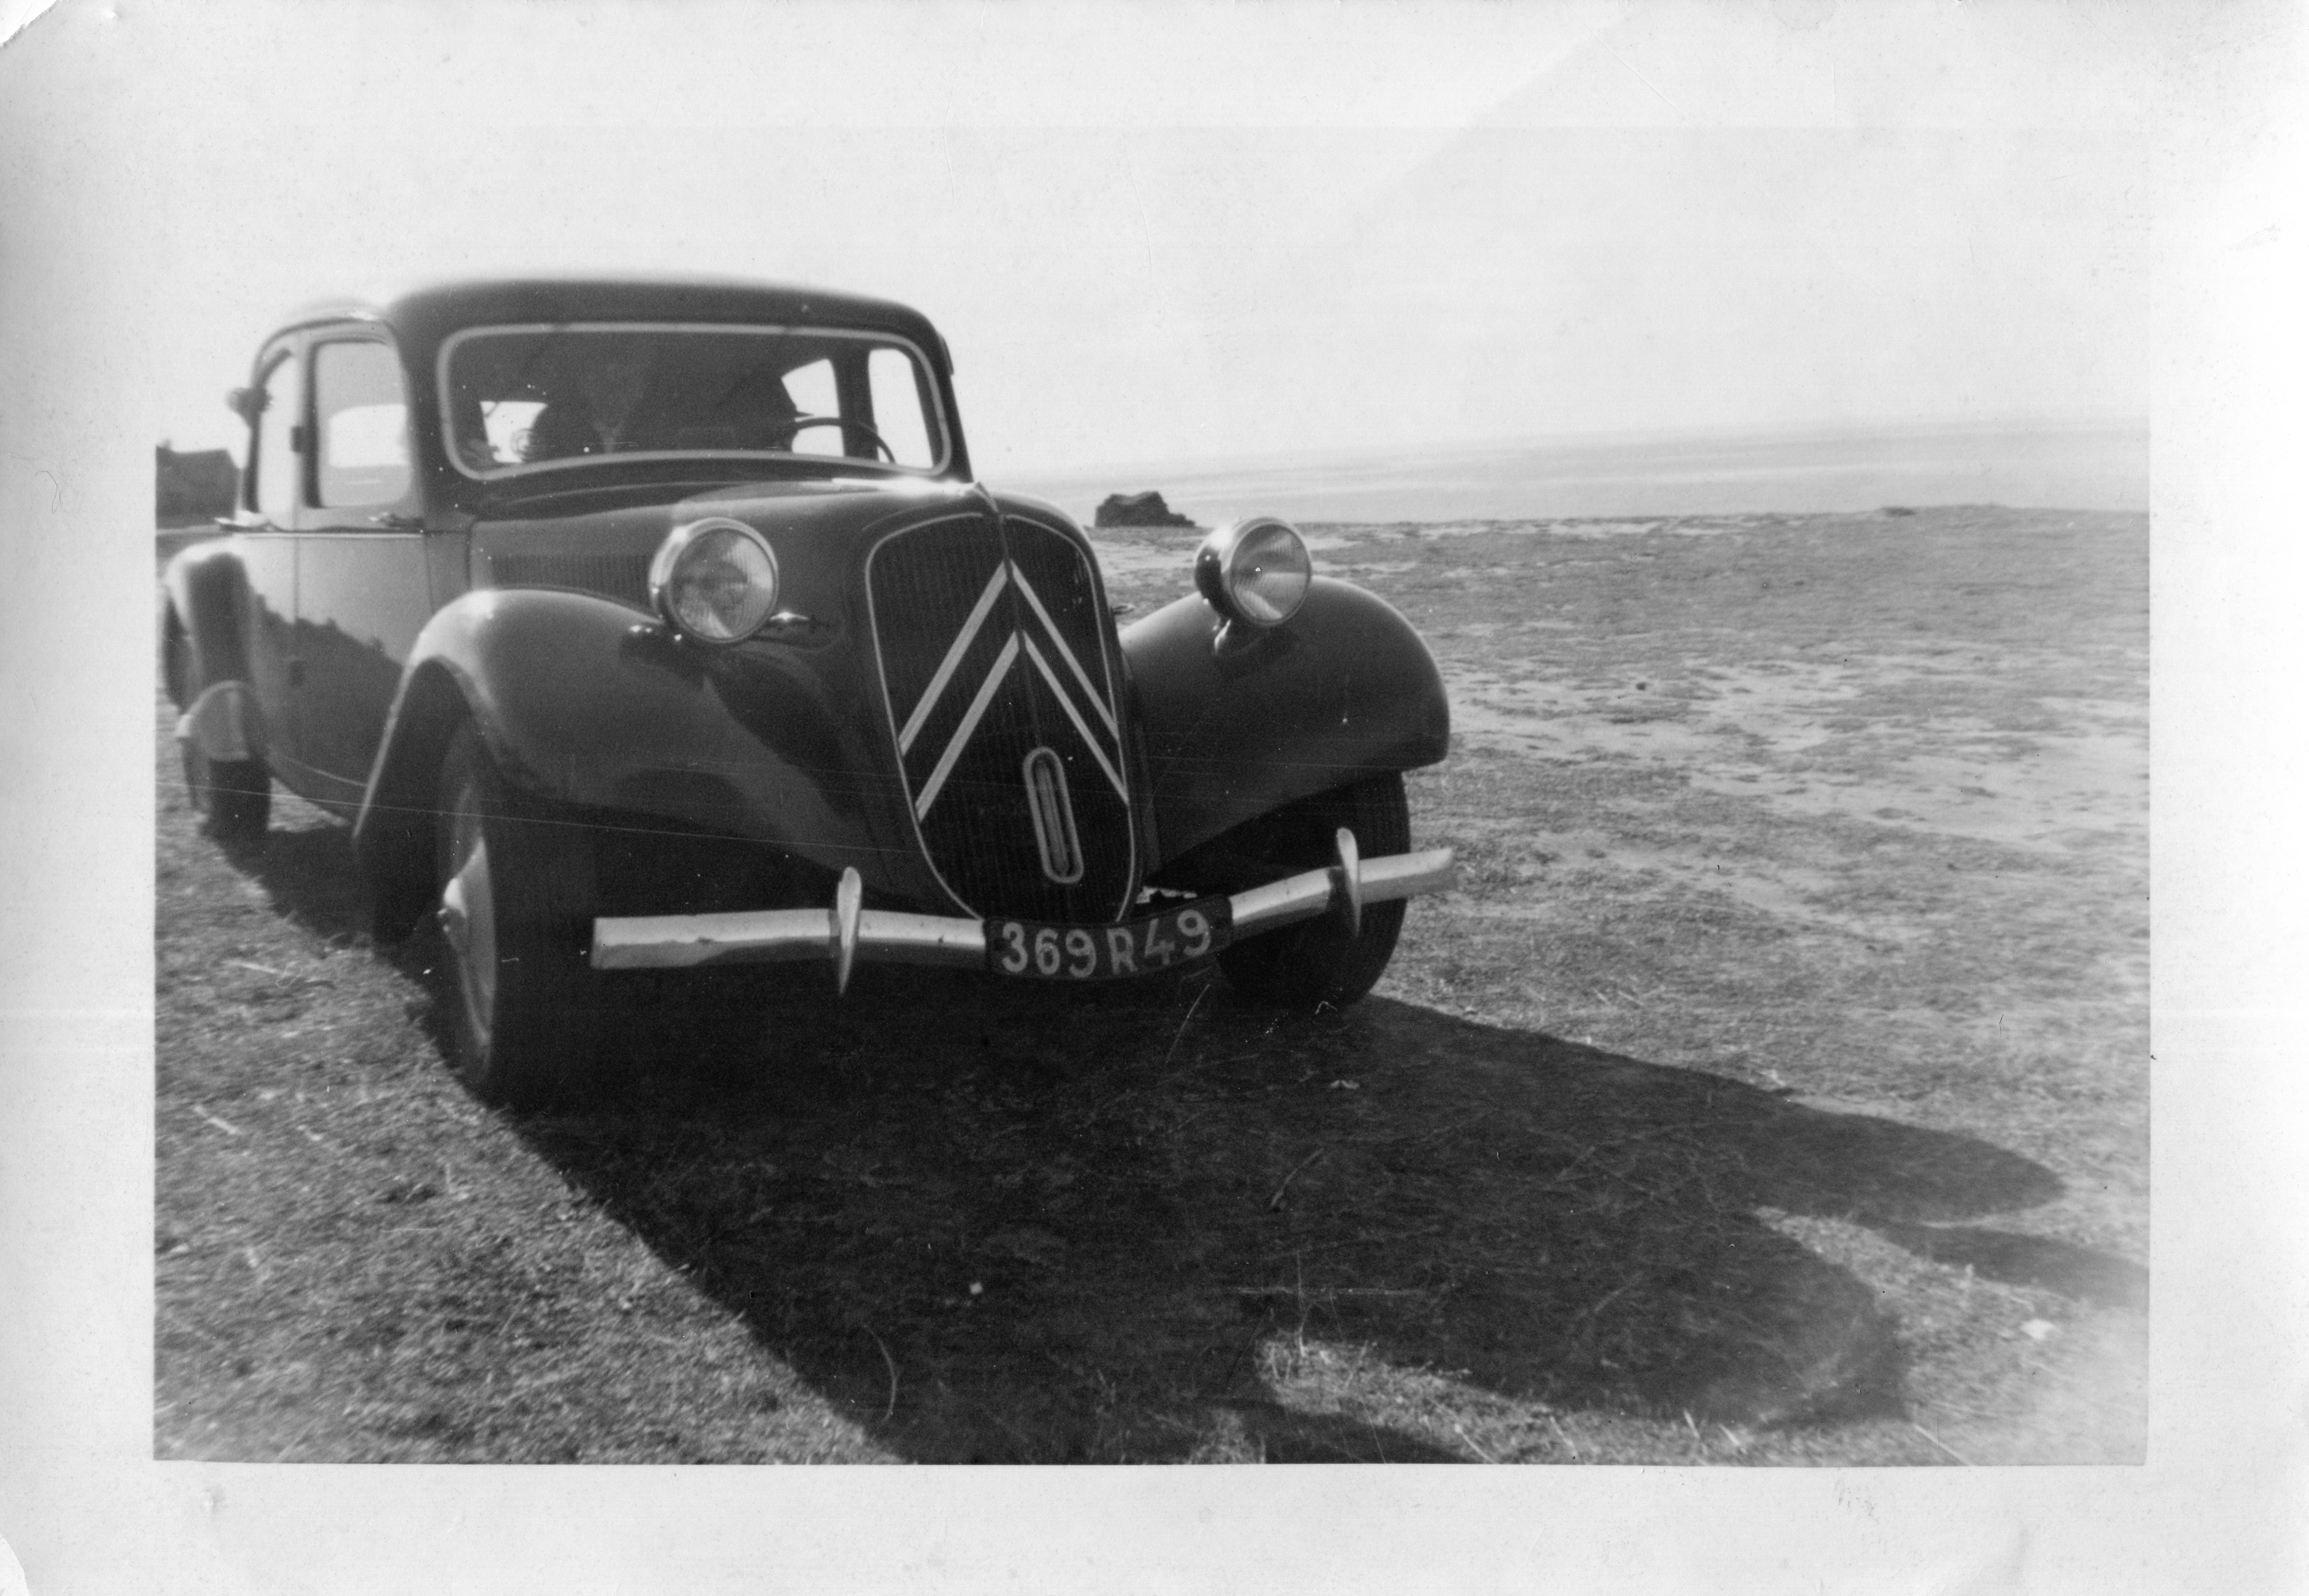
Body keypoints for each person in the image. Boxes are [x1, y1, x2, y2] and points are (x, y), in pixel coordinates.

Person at [522, 336, 661, 461]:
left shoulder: (659, 432)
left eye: (624, 383)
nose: (612, 392)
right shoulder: (554, 426)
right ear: (585, 385)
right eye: (604, 382)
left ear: (641, 388)